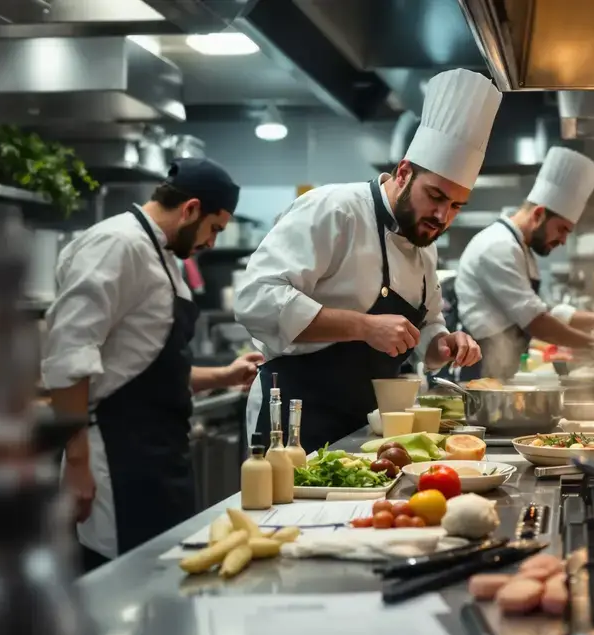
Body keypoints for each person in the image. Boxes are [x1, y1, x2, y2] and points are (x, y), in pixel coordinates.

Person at [235, 68, 501, 450]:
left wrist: (442, 344)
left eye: (457, 205)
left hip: (368, 426)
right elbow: (256, 299)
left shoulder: (423, 238)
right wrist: (364, 326)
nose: (442, 217)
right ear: (404, 172)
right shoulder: (334, 209)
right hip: (295, 420)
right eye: (436, 197)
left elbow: (426, 325)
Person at [43, 158, 261, 571]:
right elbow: (69, 355)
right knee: (120, 588)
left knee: (161, 586)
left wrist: (224, 375)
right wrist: (77, 464)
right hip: (117, 456)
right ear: (191, 208)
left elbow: (140, 367)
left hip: (158, 457)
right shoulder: (117, 244)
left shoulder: (159, 254)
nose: (213, 242)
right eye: (214, 228)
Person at [456, 147, 594, 380]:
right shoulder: (498, 247)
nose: (564, 240)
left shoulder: (520, 249)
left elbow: (545, 310)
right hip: (482, 371)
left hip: (503, 370)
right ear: (538, 215)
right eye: (562, 229)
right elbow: (536, 321)